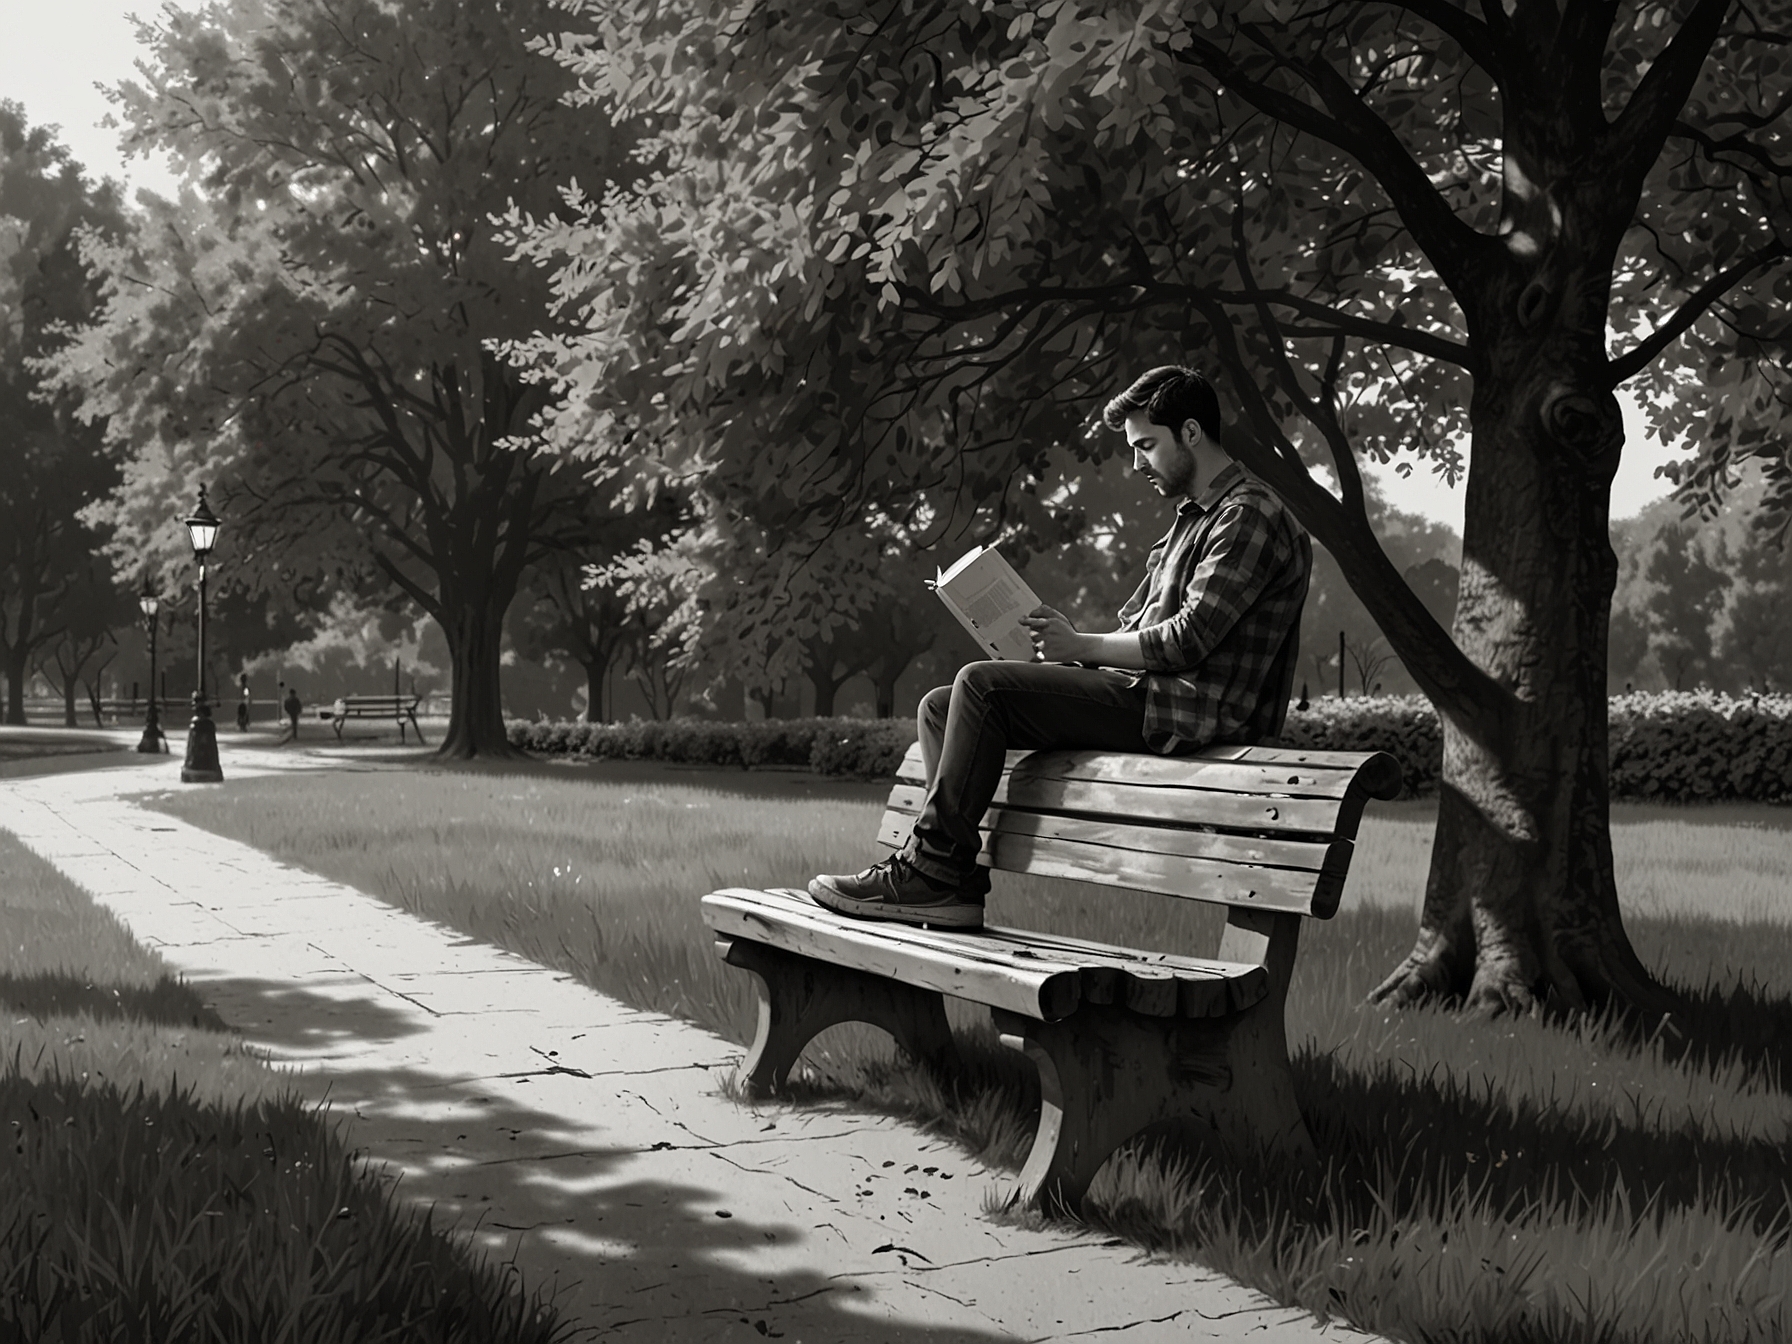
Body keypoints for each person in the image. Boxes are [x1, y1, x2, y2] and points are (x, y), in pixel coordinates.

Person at [809, 365, 1311, 931]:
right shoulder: (1191, 521)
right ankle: (951, 881)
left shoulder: (1248, 515)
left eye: (1147, 445)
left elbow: (1188, 640)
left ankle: (931, 871)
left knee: (982, 685)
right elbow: (1135, 627)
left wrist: (1083, 644)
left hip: (1194, 711)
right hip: (1152, 696)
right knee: (942, 706)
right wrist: (1063, 647)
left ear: (1191, 433)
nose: (1138, 463)